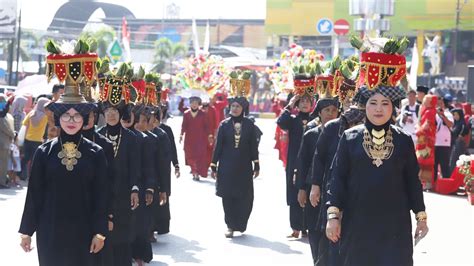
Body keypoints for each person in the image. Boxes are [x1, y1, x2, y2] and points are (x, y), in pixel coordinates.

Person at [325, 85, 428, 265]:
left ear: (393, 107)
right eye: (373, 103)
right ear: (365, 106)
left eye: (385, 103)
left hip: (395, 224)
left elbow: (412, 181)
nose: (378, 108)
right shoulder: (350, 138)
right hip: (357, 222)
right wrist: (333, 216)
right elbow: (337, 180)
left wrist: (421, 217)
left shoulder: (403, 140)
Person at [18, 80, 108, 266]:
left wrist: (100, 232)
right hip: (50, 229)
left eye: (77, 116)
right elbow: (35, 194)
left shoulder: (96, 152)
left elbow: (102, 194)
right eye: (66, 116)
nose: (72, 121)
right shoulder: (44, 152)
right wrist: (27, 231)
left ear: (84, 119)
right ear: (58, 118)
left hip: (84, 230)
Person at [310, 98, 367, 266]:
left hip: (361, 192)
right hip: (333, 187)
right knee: (330, 236)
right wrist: (314, 186)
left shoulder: (377, 130)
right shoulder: (333, 128)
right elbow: (318, 159)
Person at [98, 72, 140, 266]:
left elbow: (135, 166)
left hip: (124, 193)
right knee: (102, 234)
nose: (111, 114)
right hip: (103, 193)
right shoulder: (97, 137)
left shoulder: (131, 137)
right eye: (108, 111)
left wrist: (135, 189)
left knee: (122, 235)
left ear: (120, 112)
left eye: (115, 111)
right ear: (103, 114)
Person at [296, 98, 339, 264]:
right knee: (314, 230)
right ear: (319, 113)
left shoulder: (342, 135)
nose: (330, 114)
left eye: (334, 110)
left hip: (332, 189)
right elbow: (302, 163)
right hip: (313, 190)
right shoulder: (310, 135)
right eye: (326, 110)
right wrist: (301, 189)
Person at [211, 96, 259, 238]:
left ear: (243, 108)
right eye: (233, 106)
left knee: (245, 197)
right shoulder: (224, 125)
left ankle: (241, 223)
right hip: (226, 166)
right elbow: (218, 146)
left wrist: (256, 164)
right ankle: (230, 226)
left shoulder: (250, 125)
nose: (235, 109)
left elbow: (253, 146)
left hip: (244, 167)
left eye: (238, 106)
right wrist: (214, 165)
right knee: (228, 197)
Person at [277, 92, 314, 238]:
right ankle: (296, 228)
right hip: (295, 162)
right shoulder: (292, 120)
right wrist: (290, 104)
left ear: (312, 104)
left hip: (312, 161)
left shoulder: (316, 120)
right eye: (301, 101)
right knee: (294, 192)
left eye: (308, 101)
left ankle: (307, 227)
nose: (305, 104)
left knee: (310, 190)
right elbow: (281, 122)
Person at [149, 108, 173, 237]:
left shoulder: (161, 135)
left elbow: (164, 162)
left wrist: (164, 187)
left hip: (157, 174)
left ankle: (152, 230)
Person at [180, 96, 212, 180]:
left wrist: (210, 135)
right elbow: (184, 125)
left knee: (199, 156)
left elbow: (207, 126)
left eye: (196, 103)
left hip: (200, 138)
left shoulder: (203, 113)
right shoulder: (186, 113)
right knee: (190, 155)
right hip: (189, 139)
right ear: (190, 104)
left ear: (199, 104)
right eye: (192, 103)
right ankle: (194, 171)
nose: (194, 105)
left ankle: (197, 172)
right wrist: (181, 134)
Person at [21, 97, 50, 180]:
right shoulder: (45, 116)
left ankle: (19, 175)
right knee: (35, 160)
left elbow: (24, 124)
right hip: (38, 141)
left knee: (25, 158)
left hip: (27, 139)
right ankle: (33, 177)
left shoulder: (31, 114)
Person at [434, 95, 454, 180]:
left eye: (441, 103)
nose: (439, 105)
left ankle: (446, 184)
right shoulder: (434, 114)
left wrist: (443, 116)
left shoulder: (448, 114)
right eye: (437, 104)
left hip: (444, 143)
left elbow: (450, 125)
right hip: (434, 142)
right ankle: (433, 184)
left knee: (444, 165)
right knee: (433, 165)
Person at [160, 104, 180, 178]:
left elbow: (172, 147)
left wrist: (176, 164)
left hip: (164, 165)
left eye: (160, 113)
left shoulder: (167, 129)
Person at [0, 94, 15, 187]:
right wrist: (13, 134)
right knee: (3, 164)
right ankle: (1, 182)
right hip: (3, 143)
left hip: (3, 143)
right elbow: (5, 129)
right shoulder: (1, 116)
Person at [449, 108, 470, 173]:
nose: (455, 116)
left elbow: (463, 133)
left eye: (456, 115)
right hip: (454, 144)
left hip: (459, 144)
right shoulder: (455, 124)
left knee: (456, 160)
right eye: (454, 115)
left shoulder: (462, 124)